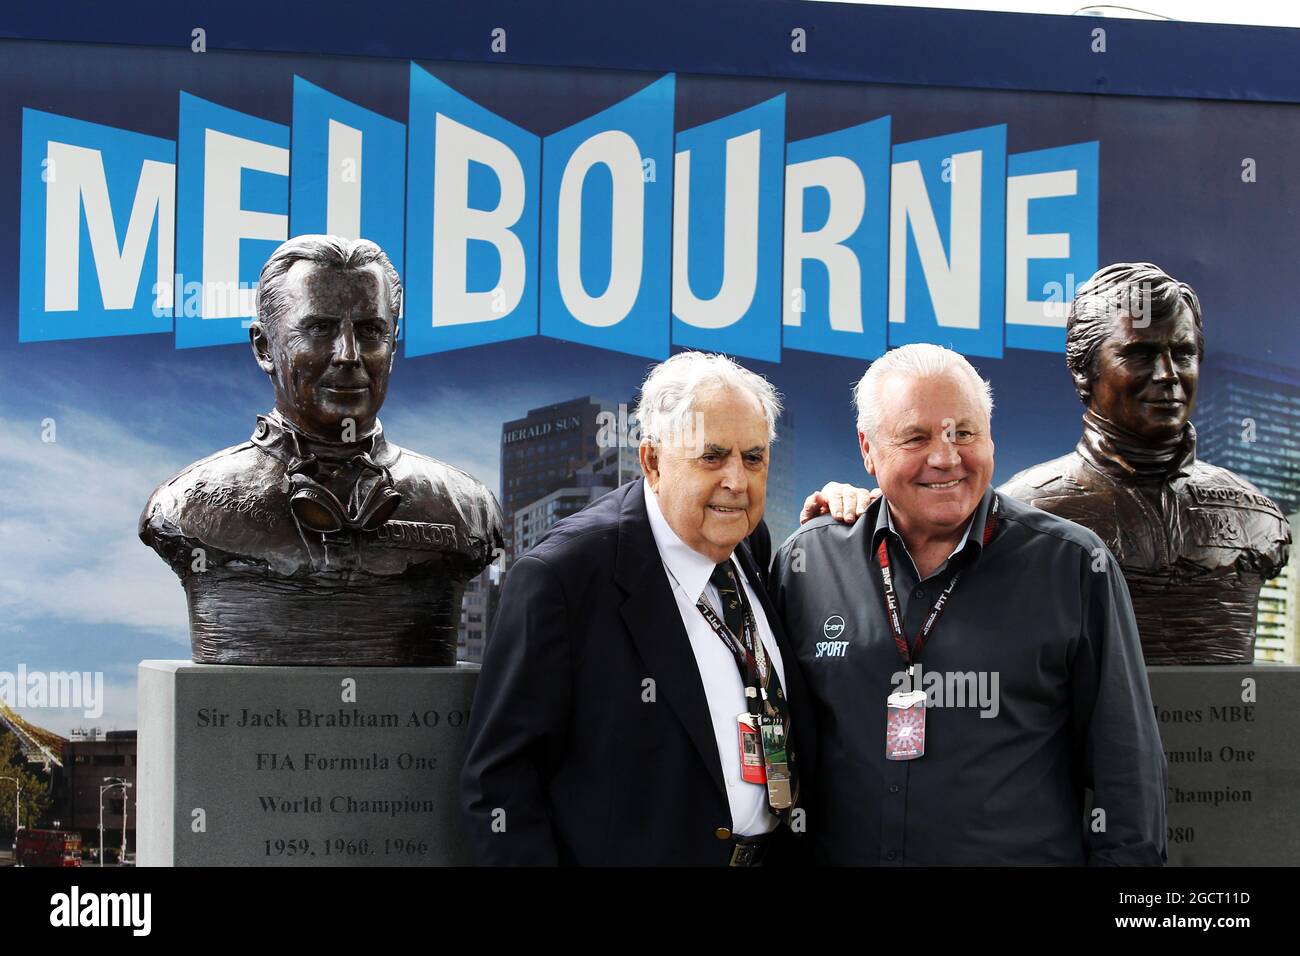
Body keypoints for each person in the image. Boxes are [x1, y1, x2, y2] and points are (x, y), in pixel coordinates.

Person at [771, 342, 1166, 865]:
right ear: (868, 449)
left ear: (990, 439)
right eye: (916, 437)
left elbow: (1129, 772)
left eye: (964, 432)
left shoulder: (1072, 566)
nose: (946, 456)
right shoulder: (807, 563)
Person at [460, 351, 815, 865]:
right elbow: (497, 786)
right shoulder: (562, 578)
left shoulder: (747, 540)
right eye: (711, 456)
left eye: (753, 458)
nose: (737, 481)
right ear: (652, 461)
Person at [139, 235, 502, 665]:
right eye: (319, 329)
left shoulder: (466, 508)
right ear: (263, 347)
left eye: (370, 331)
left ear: (393, 347)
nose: (348, 354)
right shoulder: (186, 504)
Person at [1000, 263, 1289, 664]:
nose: (1168, 374)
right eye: (1140, 354)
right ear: (1084, 372)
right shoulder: (1021, 513)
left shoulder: (1253, 512)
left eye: (1183, 353)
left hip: (1228, 724)